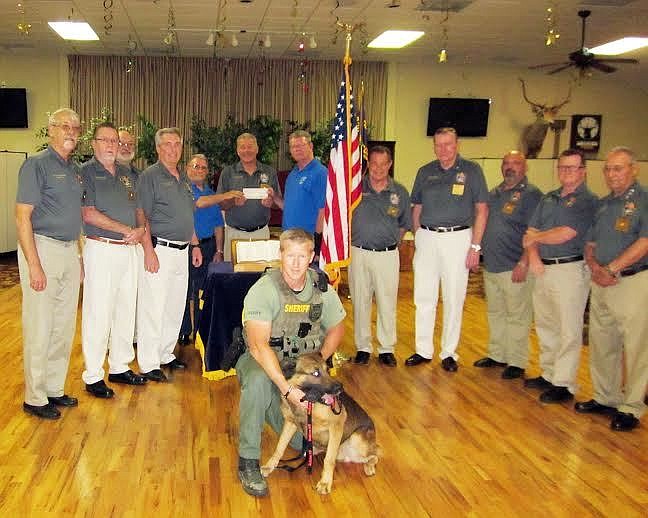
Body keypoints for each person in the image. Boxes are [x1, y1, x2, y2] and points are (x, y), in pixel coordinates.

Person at [236, 229, 346, 497]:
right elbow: (258, 346)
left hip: (302, 365)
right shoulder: (265, 289)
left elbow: (338, 326)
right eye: (290, 256)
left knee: (303, 443)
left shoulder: (321, 287)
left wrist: (320, 360)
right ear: (280, 255)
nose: (296, 263)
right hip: (263, 358)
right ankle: (248, 460)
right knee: (259, 382)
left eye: (302, 256)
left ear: (311, 257)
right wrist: (286, 389)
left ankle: (280, 408)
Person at [15, 108, 83, 420]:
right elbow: (22, 217)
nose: (71, 131)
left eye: (76, 128)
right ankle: (35, 396)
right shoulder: (36, 165)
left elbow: (76, 217)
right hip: (42, 248)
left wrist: (79, 256)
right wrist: (34, 265)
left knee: (63, 325)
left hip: (69, 251)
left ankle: (54, 387)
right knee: (40, 325)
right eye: (64, 126)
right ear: (51, 129)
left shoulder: (74, 170)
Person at [575, 147, 648, 431]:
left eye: (618, 168)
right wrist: (594, 266)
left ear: (634, 169)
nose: (611, 174)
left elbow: (644, 242)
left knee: (636, 348)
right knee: (603, 343)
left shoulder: (643, 201)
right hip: (601, 281)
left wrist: (611, 268)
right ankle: (606, 397)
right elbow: (590, 243)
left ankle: (631, 407)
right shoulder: (604, 204)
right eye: (608, 169)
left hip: (631, 281)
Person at [406, 127, 488, 372]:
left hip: (458, 237)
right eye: (438, 145)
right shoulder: (425, 172)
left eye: (448, 144)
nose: (443, 149)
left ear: (457, 144)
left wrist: (475, 246)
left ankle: (449, 352)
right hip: (427, 238)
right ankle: (423, 349)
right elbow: (416, 207)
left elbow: (482, 209)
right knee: (424, 297)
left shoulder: (472, 171)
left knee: (454, 297)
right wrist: (418, 234)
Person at [522, 148, 598, 403]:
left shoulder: (588, 200)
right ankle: (549, 373)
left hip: (570, 269)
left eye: (572, 168)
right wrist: (533, 255)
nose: (566, 172)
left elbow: (566, 233)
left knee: (568, 328)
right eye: (562, 167)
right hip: (542, 267)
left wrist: (536, 237)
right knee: (545, 325)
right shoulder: (549, 198)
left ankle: (564, 383)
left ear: (583, 171)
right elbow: (530, 230)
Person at [80, 122, 147, 399]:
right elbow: (88, 214)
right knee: (98, 313)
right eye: (105, 140)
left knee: (125, 309)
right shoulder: (85, 173)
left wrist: (141, 230)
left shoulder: (126, 175)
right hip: (102, 248)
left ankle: (119, 366)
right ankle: (93, 375)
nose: (111, 145)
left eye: (114, 141)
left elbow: (138, 210)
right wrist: (125, 230)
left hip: (128, 249)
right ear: (93, 144)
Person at [136, 127, 202, 382]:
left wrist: (195, 245)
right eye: (167, 144)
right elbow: (142, 215)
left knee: (174, 307)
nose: (173, 149)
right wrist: (148, 250)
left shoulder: (183, 178)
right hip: (159, 249)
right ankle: (149, 362)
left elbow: (188, 216)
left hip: (182, 251)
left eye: (177, 144)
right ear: (158, 148)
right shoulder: (149, 176)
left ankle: (165, 354)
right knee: (154, 307)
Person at [475, 151, 542, 379]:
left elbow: (535, 232)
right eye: (506, 163)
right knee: (496, 313)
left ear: (525, 168)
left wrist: (524, 262)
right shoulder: (494, 193)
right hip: (492, 265)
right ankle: (497, 354)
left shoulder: (531, 195)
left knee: (517, 316)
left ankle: (516, 361)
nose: (510, 167)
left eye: (515, 163)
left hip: (515, 266)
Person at [350, 146, 411, 367]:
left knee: (387, 303)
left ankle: (386, 348)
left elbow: (405, 224)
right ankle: (363, 347)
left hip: (387, 255)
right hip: (359, 252)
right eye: (373, 163)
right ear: (368, 164)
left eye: (383, 164)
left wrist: (394, 240)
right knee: (360, 301)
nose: (378, 168)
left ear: (390, 164)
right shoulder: (355, 189)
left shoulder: (400, 192)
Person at [210, 133, 280, 261]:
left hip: (261, 234)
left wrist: (271, 203)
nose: (246, 150)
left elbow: (277, 202)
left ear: (257, 149)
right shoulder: (228, 172)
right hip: (234, 234)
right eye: (242, 147)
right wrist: (233, 202)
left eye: (250, 146)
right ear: (237, 151)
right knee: (233, 278)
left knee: (260, 277)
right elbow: (220, 204)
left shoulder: (269, 171)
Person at [179, 154, 225, 343]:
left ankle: (199, 330)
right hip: (189, 247)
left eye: (203, 167)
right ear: (187, 168)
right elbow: (199, 204)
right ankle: (183, 330)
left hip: (209, 247)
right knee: (184, 290)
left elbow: (218, 225)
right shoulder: (183, 189)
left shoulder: (209, 192)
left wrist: (219, 250)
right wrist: (227, 195)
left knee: (203, 292)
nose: (199, 170)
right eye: (195, 166)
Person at [273, 130, 327, 254]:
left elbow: (323, 211)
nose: (297, 149)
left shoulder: (320, 173)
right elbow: (288, 207)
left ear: (311, 146)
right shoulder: (293, 174)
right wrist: (274, 197)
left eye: (301, 145)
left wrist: (318, 246)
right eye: (293, 146)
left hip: (306, 244)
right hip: (288, 240)